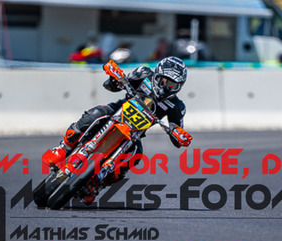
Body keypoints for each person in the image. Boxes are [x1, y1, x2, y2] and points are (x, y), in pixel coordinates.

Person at [44, 56, 189, 203]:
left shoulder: (177, 106)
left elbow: (177, 133)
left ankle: (97, 183)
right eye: (165, 82)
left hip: (134, 133)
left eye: (173, 85)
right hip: (115, 111)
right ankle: (63, 148)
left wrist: (178, 134)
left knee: (136, 154)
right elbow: (110, 86)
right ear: (157, 75)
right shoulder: (144, 73)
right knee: (94, 114)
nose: (167, 87)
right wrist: (116, 79)